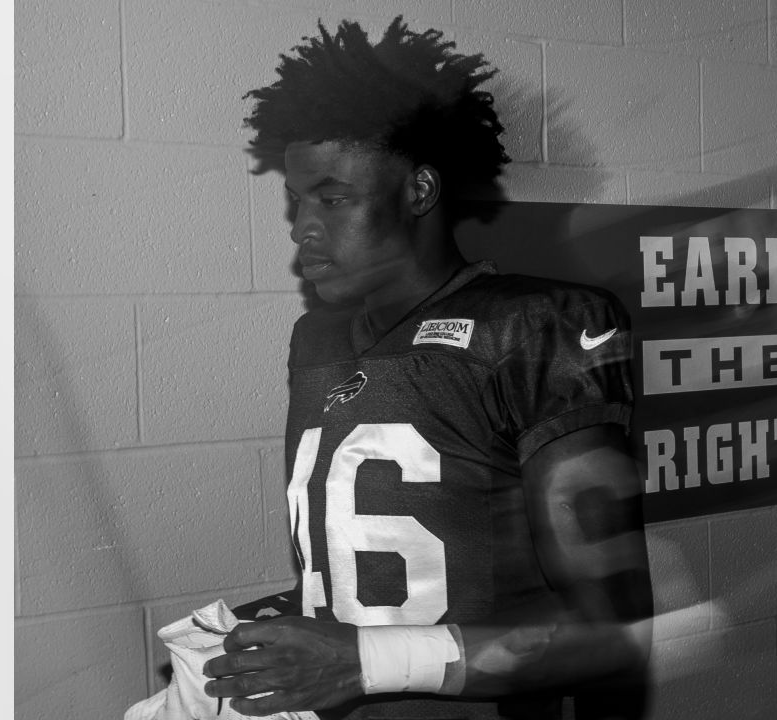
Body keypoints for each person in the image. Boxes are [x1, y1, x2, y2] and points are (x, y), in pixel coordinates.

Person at [199, 17, 653, 720]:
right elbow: (387, 578)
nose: (302, 227)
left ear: (418, 191)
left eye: (333, 197)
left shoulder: (537, 326)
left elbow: (613, 631)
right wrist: (260, 645)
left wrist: (364, 660)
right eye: (297, 200)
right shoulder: (315, 340)